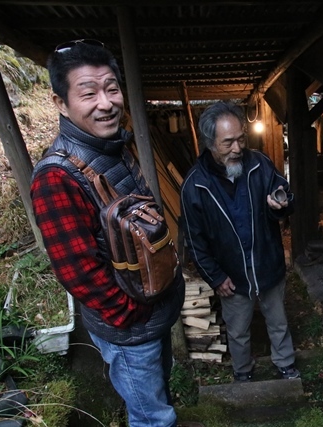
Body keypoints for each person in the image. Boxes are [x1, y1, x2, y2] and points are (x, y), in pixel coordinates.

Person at [30, 39, 199, 427]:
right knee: (150, 418)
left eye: (111, 88)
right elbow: (78, 271)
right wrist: (133, 315)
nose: (105, 103)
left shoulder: (113, 147)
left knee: (157, 400)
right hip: (129, 326)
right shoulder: (58, 175)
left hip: (151, 312)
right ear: (60, 103)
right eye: (88, 93)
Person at [180, 101, 299, 382]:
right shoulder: (195, 186)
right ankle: (243, 372)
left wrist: (281, 203)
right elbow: (195, 243)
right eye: (228, 142)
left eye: (241, 139)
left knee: (278, 321)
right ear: (210, 143)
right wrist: (216, 277)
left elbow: (284, 194)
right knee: (238, 329)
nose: (237, 148)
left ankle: (285, 363)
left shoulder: (259, 163)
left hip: (266, 260)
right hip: (231, 272)